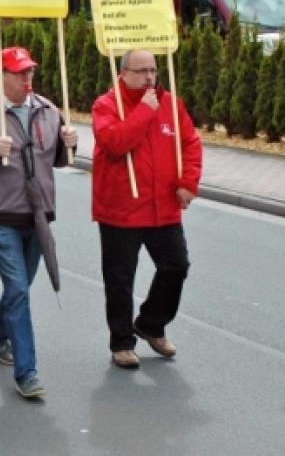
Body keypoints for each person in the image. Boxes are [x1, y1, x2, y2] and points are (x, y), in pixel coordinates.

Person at [0, 47, 77, 399]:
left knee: (17, 289)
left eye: (29, 72)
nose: (27, 79)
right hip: (0, 216)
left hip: (38, 214)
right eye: (19, 72)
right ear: (2, 75)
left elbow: (58, 161)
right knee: (20, 290)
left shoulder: (48, 109)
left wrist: (70, 145)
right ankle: (27, 373)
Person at [91, 49, 202, 369]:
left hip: (162, 207)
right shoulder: (106, 105)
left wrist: (188, 183)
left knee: (176, 266)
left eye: (153, 70)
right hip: (121, 209)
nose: (150, 77)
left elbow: (191, 144)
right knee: (120, 279)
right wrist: (143, 111)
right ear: (122, 73)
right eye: (141, 71)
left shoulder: (171, 103)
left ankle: (151, 323)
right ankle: (122, 342)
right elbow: (113, 143)